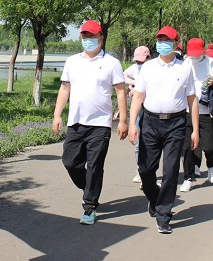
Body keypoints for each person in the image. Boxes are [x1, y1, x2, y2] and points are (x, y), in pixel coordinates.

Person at [53, 20, 128, 225]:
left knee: (95, 166)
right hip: (76, 122)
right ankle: (89, 187)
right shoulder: (72, 62)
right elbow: (65, 89)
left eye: (92, 36)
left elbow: (120, 92)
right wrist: (57, 114)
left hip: (100, 124)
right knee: (70, 162)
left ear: (101, 38)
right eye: (85, 36)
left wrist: (123, 120)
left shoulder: (112, 63)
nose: (88, 40)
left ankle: (89, 206)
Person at [128, 25, 199, 234]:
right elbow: (138, 97)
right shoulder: (148, 67)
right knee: (145, 170)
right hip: (150, 122)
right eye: (160, 40)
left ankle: (164, 215)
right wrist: (132, 124)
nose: (162, 43)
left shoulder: (185, 68)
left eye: (167, 40)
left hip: (175, 124)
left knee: (170, 171)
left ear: (176, 43)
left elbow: (192, 99)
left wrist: (195, 129)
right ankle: (154, 197)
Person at [179, 38, 213, 193]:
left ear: (203, 50)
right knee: (187, 147)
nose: (194, 56)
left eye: (197, 53)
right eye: (191, 53)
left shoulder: (212, 64)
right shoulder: (184, 64)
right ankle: (188, 178)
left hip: (207, 112)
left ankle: (211, 165)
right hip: (188, 111)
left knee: (209, 146)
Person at [121, 45, 152, 183]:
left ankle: (150, 169)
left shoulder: (154, 68)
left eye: (142, 61)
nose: (139, 64)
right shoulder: (135, 68)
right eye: (137, 61)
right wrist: (136, 84)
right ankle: (140, 170)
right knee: (139, 140)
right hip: (139, 107)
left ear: (149, 58)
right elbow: (122, 76)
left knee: (152, 141)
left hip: (152, 108)